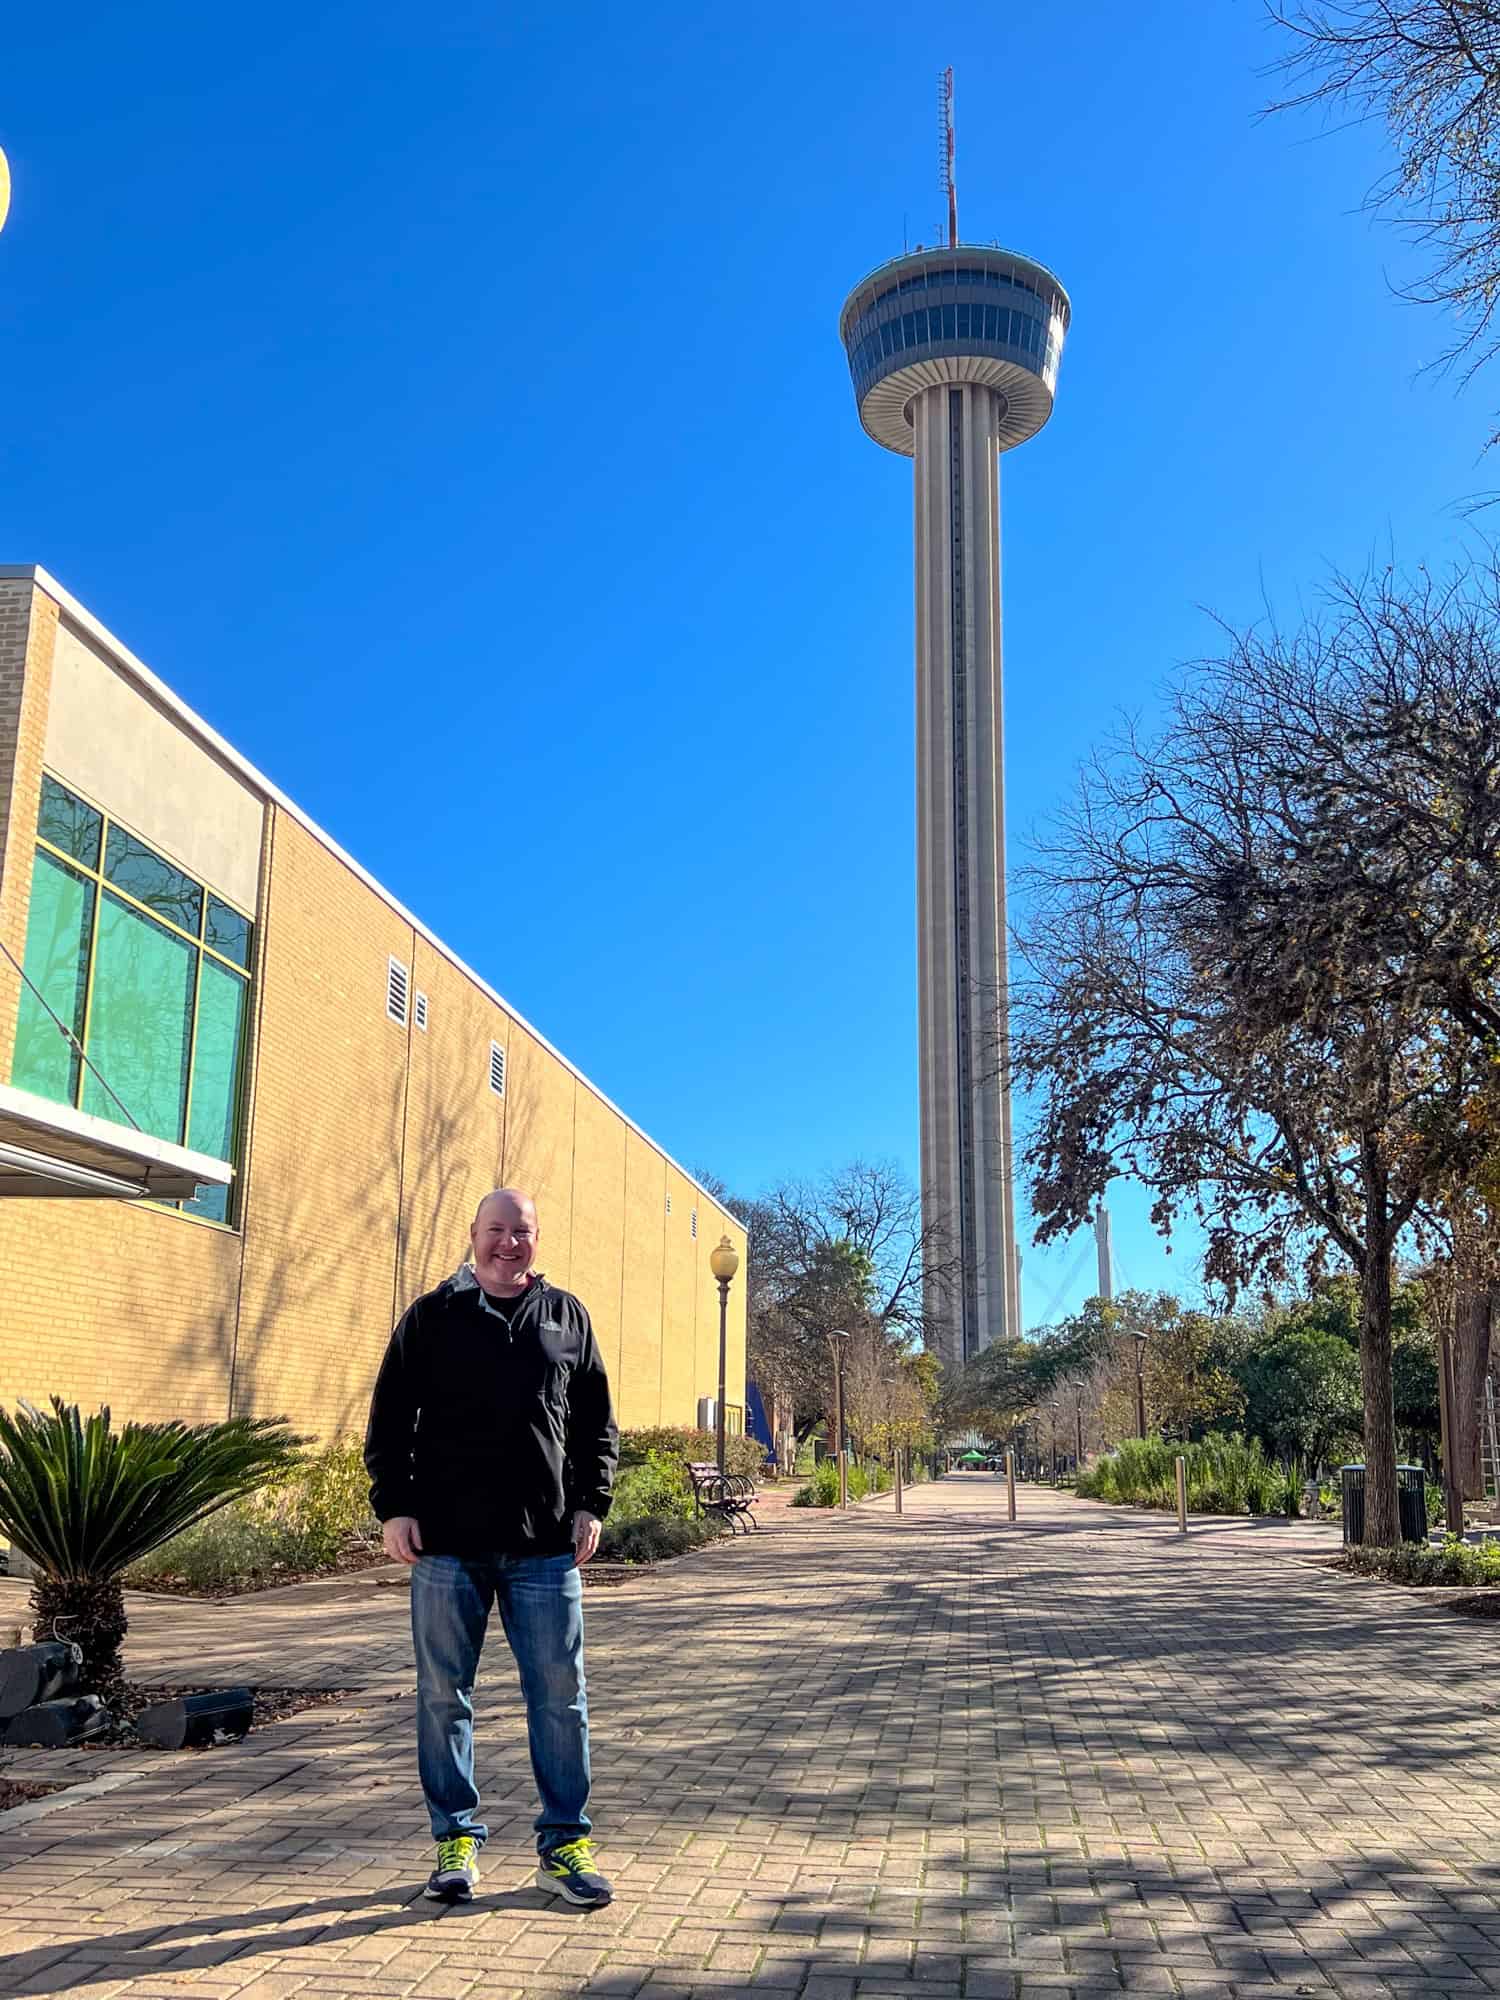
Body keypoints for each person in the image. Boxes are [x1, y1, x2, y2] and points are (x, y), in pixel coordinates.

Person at [364, 1187, 618, 1908]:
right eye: (497, 1230)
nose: (510, 1243)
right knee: (444, 1697)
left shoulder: (567, 1316)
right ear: (473, 1235)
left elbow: (597, 1426)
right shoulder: (432, 1317)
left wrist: (591, 1505)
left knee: (560, 1699)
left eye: (523, 1231)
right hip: (446, 1546)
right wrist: (395, 1509)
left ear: (540, 1238)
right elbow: (388, 1423)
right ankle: (455, 1842)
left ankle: (564, 1844)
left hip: (544, 1550)